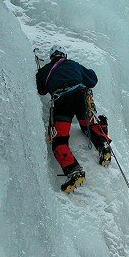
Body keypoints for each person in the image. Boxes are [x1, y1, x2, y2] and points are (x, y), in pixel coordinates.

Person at [36, 45, 111, 193]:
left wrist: (41, 73)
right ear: (64, 55)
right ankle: (103, 145)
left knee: (60, 141)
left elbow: (41, 90)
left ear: (52, 57)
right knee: (87, 125)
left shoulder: (45, 70)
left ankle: (74, 171)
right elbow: (92, 80)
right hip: (81, 97)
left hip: (62, 102)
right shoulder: (73, 64)